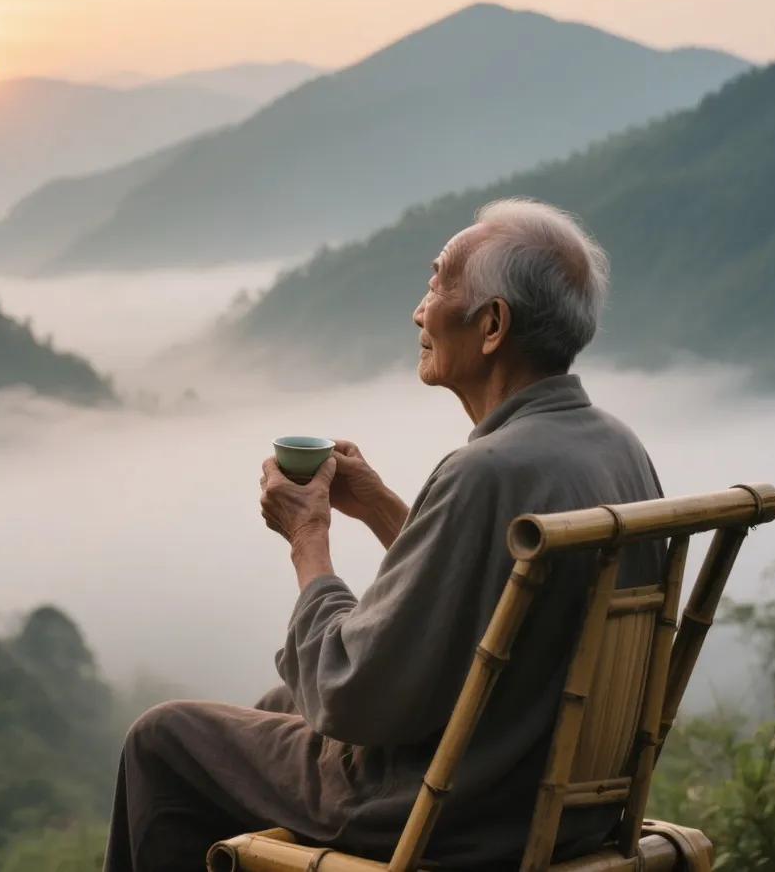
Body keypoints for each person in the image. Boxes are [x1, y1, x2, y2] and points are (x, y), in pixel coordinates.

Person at [104, 198, 665, 872]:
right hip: (556, 799)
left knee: (164, 741)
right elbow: (499, 594)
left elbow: (351, 692)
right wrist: (377, 507)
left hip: (453, 805)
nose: (418, 311)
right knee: (278, 708)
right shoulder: (610, 447)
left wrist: (307, 538)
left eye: (435, 284)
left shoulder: (485, 472)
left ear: (491, 325)